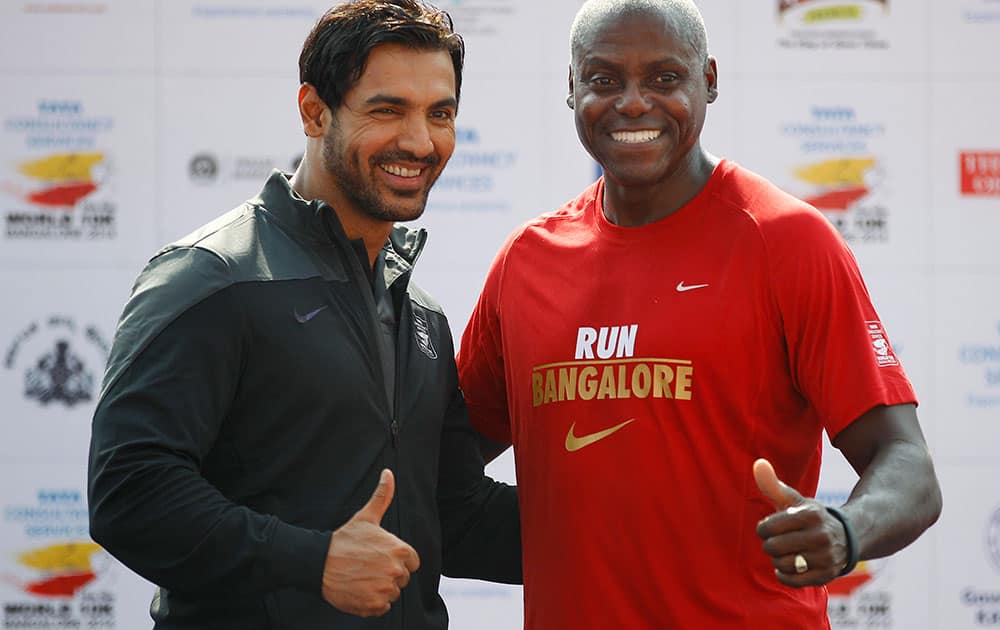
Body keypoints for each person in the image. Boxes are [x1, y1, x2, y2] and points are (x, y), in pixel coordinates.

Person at [456, 0, 942, 628]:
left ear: (708, 80)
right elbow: (440, 463)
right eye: (604, 80)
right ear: (571, 89)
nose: (632, 103)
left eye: (664, 78)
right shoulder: (527, 261)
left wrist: (846, 529)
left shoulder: (787, 242)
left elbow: (907, 466)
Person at [87, 1, 520, 628]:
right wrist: (312, 560)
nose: (420, 141)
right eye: (387, 109)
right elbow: (129, 492)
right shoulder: (214, 276)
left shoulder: (419, 311)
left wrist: (643, 530)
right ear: (314, 111)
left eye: (440, 114)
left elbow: (453, 514)